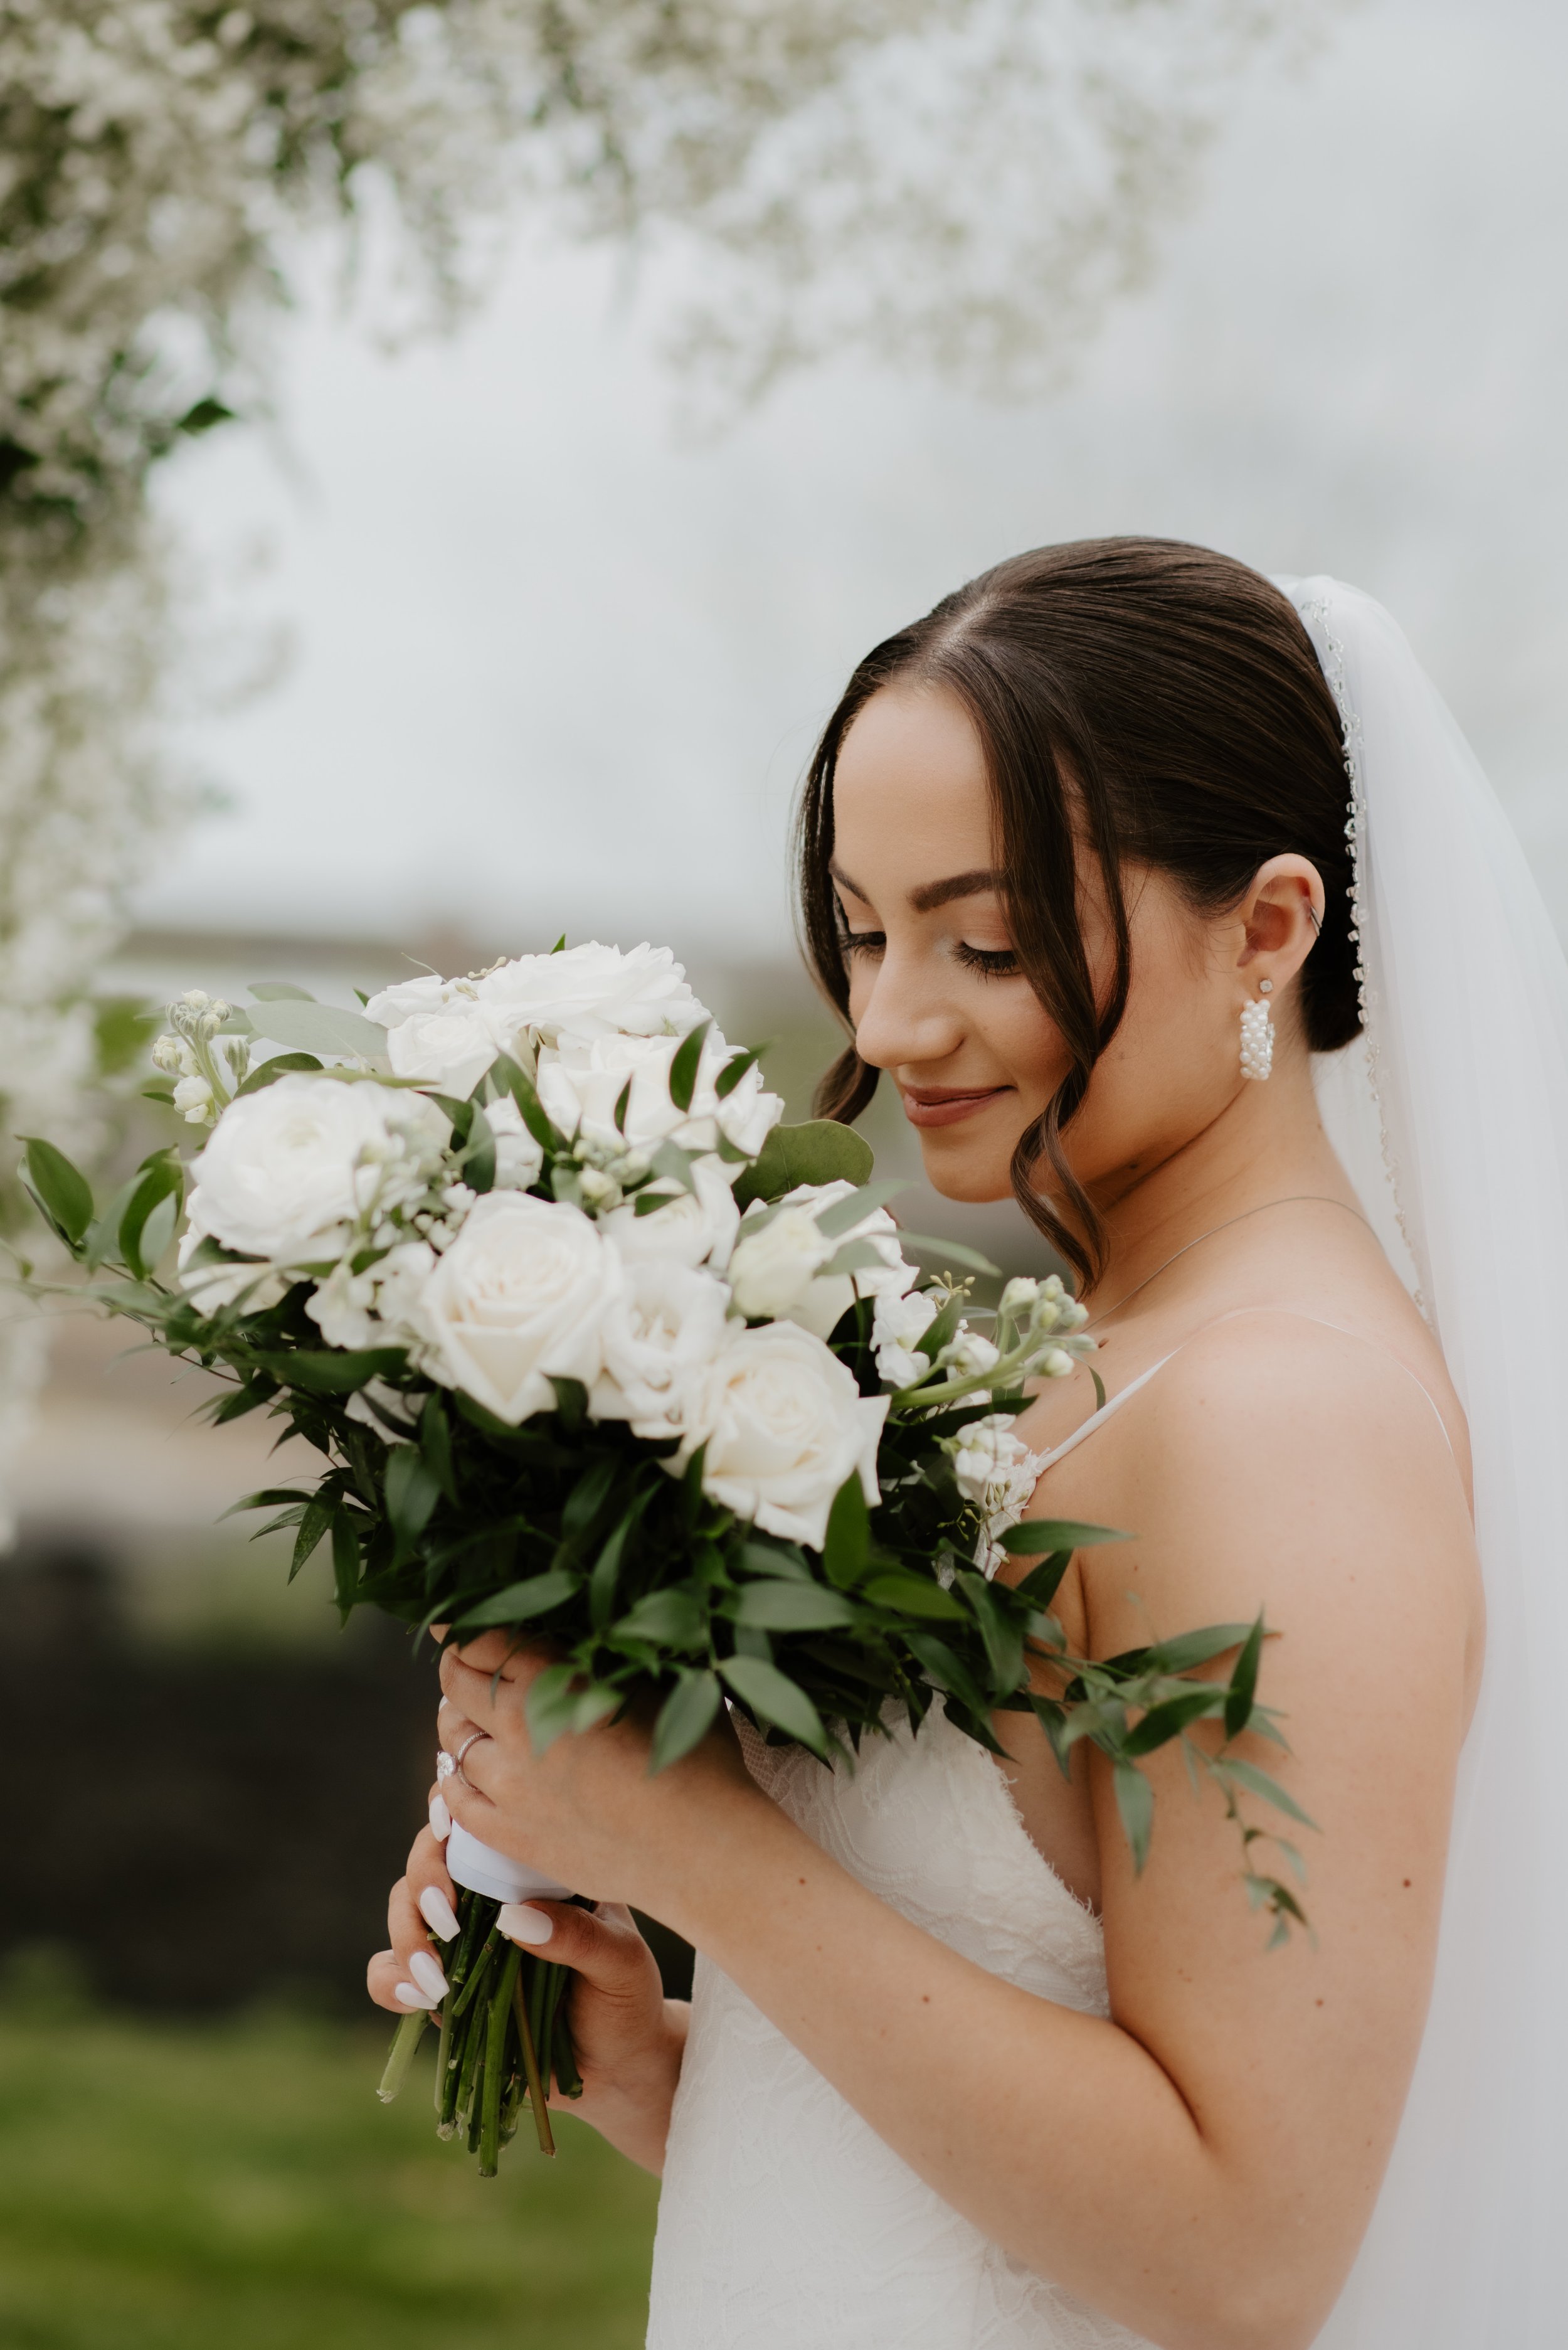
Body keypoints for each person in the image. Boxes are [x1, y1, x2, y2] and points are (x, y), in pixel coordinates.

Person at [368, 541, 1568, 2347]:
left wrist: (696, 1853)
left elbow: (1243, 2254)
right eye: (862, 927)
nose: (889, 1023)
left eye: (984, 939)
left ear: (1264, 928)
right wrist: (667, 2066)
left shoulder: (1284, 1419)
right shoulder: (1115, 1356)